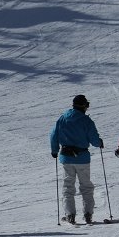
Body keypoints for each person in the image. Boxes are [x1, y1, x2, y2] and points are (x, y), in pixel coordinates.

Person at [49, 95, 104, 224]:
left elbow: (53, 135)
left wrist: (54, 150)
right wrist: (99, 142)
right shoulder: (86, 120)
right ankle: (88, 214)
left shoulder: (62, 118)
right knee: (86, 186)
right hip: (82, 158)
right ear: (84, 106)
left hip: (66, 158)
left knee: (68, 186)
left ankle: (70, 214)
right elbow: (94, 140)